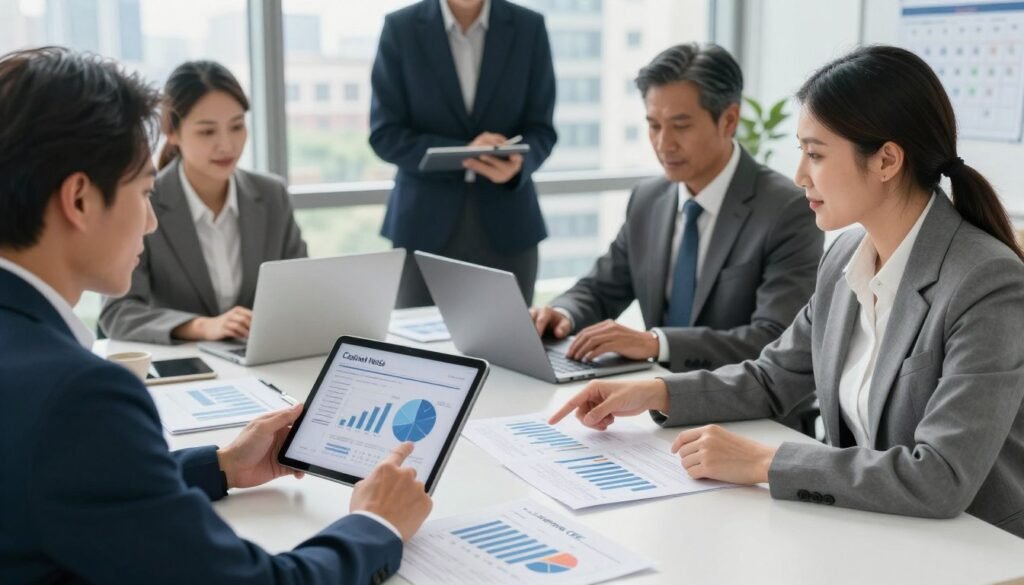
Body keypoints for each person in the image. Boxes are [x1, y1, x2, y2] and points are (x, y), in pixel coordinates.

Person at [549, 45, 1024, 538]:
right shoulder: (846, 256)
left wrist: (763, 461)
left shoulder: (985, 281)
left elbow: (940, 476)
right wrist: (657, 390)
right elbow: (773, 378)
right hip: (874, 527)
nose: (800, 176)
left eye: (816, 154)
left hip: (977, 548)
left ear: (886, 160)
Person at [0, 47, 432, 583]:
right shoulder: (81, 398)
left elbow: (68, 480)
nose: (151, 223)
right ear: (80, 199)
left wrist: (221, 466)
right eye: (142, 193)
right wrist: (376, 524)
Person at [531, 43, 822, 374]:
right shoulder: (648, 199)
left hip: (743, 409)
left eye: (680, 126)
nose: (663, 143)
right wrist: (561, 313)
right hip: (653, 398)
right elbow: (600, 289)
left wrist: (657, 344)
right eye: (654, 125)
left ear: (729, 120)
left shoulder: (786, 210)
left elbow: (775, 339)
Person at [100, 60, 307, 344]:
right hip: (185, 366)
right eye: (207, 131)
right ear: (172, 133)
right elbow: (118, 313)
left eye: (236, 127)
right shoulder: (144, 199)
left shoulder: (271, 195)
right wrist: (201, 327)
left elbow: (301, 290)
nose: (227, 145)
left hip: (259, 360)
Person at [369, 0, 557, 307]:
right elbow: (384, 134)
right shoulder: (401, 28)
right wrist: (463, 154)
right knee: (418, 350)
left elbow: (542, 130)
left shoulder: (529, 27)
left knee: (510, 348)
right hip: (422, 226)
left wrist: (517, 165)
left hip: (509, 223)